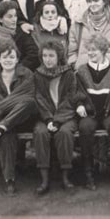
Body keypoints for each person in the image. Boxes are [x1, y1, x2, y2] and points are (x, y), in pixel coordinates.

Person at [0, 43, 38, 196]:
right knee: (6, 134)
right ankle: (9, 180)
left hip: (24, 118)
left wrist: (6, 108)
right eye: (4, 57)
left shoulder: (26, 74)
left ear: (17, 59)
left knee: (29, 101)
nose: (8, 60)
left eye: (12, 57)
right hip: (1, 119)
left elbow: (29, 94)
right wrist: (12, 105)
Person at [76, 34, 110, 191]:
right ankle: (88, 173)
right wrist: (79, 104)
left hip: (109, 112)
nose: (91, 53)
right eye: (89, 50)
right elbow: (77, 91)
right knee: (85, 127)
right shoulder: (82, 70)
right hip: (90, 114)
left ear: (104, 51)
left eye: (95, 50)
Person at [33, 41, 78, 195]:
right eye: (44, 56)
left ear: (59, 57)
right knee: (40, 132)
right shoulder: (37, 75)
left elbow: (70, 98)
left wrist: (58, 120)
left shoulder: (68, 74)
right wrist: (48, 120)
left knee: (64, 133)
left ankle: (66, 177)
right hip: (45, 117)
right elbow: (39, 98)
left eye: (51, 55)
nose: (48, 59)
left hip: (66, 116)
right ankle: (44, 179)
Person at [68, 0, 110, 70]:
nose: (92, 4)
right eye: (89, 1)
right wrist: (75, 65)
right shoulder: (78, 24)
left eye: (96, 1)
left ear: (104, 2)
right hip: (83, 72)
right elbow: (72, 52)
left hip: (108, 72)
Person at [0, 1, 40, 71]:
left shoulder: (21, 32)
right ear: (0, 19)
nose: (14, 19)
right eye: (10, 17)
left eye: (15, 16)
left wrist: (17, 69)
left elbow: (34, 54)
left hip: (19, 72)